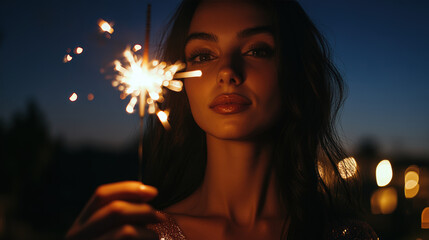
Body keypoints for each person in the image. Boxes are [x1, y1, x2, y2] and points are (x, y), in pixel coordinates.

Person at [66, 0, 378, 239]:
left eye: (256, 50)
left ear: (295, 72)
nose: (227, 71)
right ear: (180, 80)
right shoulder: (138, 234)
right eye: (203, 55)